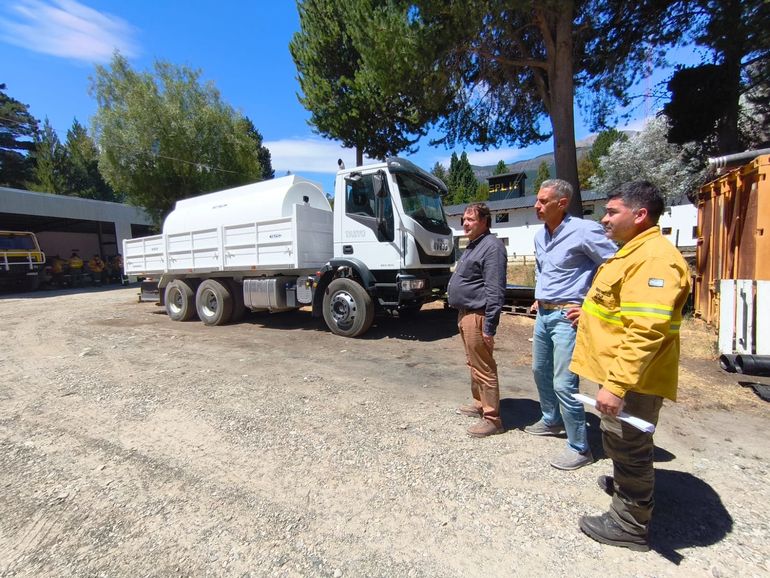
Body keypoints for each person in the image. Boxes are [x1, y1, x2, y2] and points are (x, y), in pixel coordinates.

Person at [571, 181, 690, 551]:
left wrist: (617, 385)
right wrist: (588, 314)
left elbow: (645, 330)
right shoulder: (635, 251)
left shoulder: (653, 259)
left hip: (633, 379)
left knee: (628, 444)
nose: (603, 219)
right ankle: (630, 496)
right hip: (625, 373)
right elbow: (625, 311)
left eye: (611, 212)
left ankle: (630, 523)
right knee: (621, 441)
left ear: (639, 215)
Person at [525, 179, 617, 470]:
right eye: (537, 201)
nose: (536, 206)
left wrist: (590, 303)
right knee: (540, 371)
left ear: (561, 203)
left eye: (542, 201)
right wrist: (540, 297)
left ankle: (580, 447)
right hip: (544, 314)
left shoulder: (584, 230)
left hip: (569, 316)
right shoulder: (540, 236)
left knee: (564, 382)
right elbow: (543, 269)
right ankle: (552, 421)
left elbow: (614, 265)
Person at [448, 202, 507, 438]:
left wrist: (490, 326)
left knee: (483, 367)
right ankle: (479, 403)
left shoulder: (491, 247)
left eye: (470, 219)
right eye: (464, 219)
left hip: (478, 316)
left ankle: (493, 419)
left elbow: (495, 290)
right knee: (473, 364)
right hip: (465, 314)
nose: (465, 223)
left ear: (484, 221)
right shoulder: (474, 245)